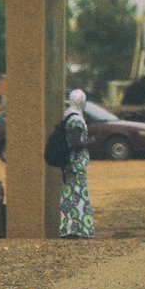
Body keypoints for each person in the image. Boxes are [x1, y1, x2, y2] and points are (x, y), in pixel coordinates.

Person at [58, 88, 94, 239]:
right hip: (76, 163)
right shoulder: (77, 120)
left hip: (69, 162)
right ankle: (80, 229)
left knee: (69, 195)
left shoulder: (68, 115)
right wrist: (89, 143)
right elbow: (75, 142)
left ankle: (67, 228)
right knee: (79, 196)